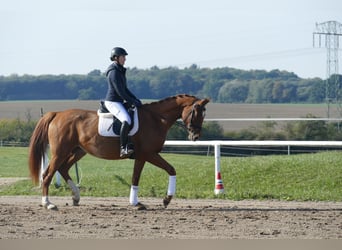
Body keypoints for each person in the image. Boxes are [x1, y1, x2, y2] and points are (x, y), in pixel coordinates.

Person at [104, 47, 142, 158]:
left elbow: (125, 89)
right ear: (116, 58)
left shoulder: (119, 70)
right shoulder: (113, 72)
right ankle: (123, 148)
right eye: (123, 57)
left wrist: (135, 99)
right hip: (113, 102)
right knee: (126, 119)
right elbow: (120, 91)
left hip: (118, 101)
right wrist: (131, 101)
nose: (125, 59)